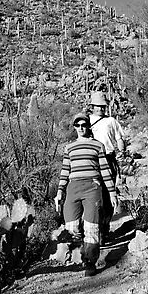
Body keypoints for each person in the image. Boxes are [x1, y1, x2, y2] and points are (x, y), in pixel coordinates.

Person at [54, 113, 118, 277]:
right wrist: (60, 191)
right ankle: (81, 252)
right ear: (74, 127)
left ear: (88, 126)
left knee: (92, 226)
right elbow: (65, 171)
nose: (81, 127)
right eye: (78, 125)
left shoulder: (97, 146)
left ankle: (90, 262)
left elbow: (105, 171)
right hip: (73, 187)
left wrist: (112, 193)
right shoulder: (69, 147)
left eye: (84, 124)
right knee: (72, 227)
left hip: (92, 186)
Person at [88, 91, 126, 242]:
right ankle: (93, 229)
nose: (101, 109)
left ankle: (104, 228)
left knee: (108, 193)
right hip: (92, 160)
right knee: (93, 195)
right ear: (92, 106)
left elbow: (120, 138)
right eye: (98, 106)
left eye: (103, 106)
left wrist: (122, 152)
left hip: (108, 158)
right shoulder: (86, 121)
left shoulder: (112, 121)